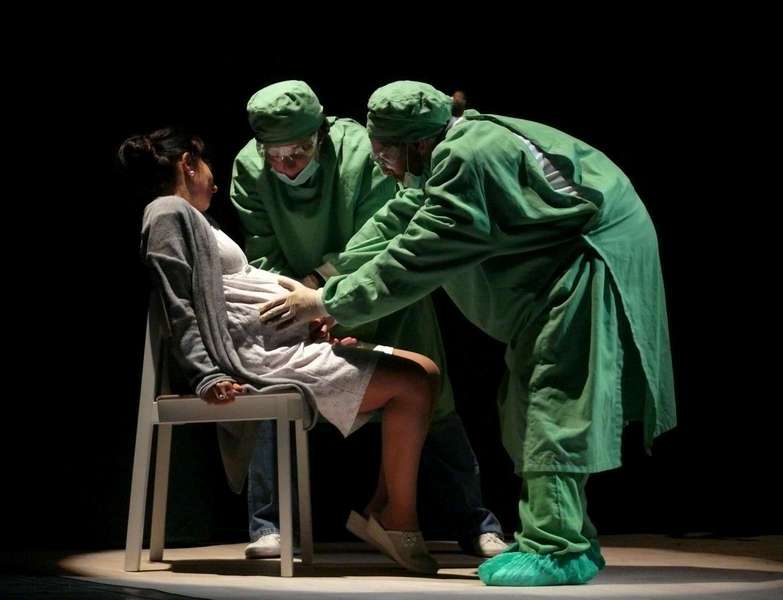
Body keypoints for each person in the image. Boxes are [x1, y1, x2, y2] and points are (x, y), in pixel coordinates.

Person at [260, 81, 677, 586]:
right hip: (556, 267)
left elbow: (417, 255)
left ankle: (558, 547)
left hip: (585, 262)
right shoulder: (447, 150)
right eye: (376, 150)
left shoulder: (468, 156)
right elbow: (398, 219)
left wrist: (329, 303)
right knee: (525, 400)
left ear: (417, 142)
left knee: (552, 400)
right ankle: (566, 534)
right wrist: (322, 281)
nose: (383, 163)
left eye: (387, 152)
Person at [119, 127, 441, 574]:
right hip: (259, 359)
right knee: (413, 383)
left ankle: (383, 509)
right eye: (206, 165)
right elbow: (178, 303)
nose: (216, 182)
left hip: (280, 346)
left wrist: (307, 327)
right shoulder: (166, 212)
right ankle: (398, 519)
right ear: (188, 163)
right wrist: (206, 374)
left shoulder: (195, 218)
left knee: (424, 368)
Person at [230, 80, 505, 559]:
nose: (286, 165)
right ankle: (267, 524)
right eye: (274, 156)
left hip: (383, 290)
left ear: (321, 133)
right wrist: (302, 309)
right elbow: (262, 252)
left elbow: (384, 236)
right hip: (299, 300)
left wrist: (325, 295)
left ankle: (474, 522)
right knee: (270, 390)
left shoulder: (363, 151)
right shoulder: (249, 169)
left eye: (297, 153)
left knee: (433, 397)